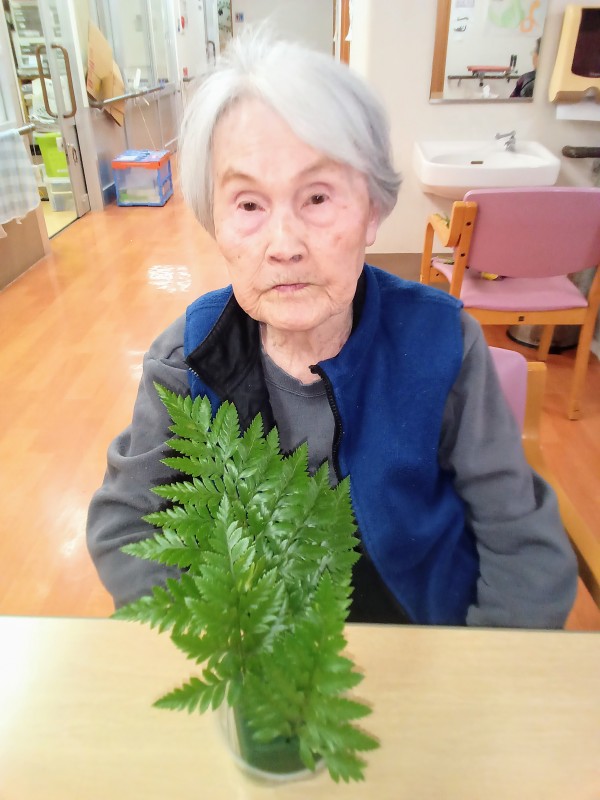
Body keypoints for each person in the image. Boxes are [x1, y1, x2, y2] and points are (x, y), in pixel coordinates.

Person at [87, 30, 577, 628]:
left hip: (426, 638)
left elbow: (521, 542)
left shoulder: (445, 343)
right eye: (248, 205)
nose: (284, 246)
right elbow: (127, 526)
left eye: (317, 198)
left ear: (373, 211)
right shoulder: (186, 359)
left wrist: (476, 673)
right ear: (214, 221)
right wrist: (213, 638)